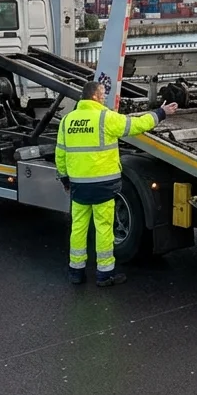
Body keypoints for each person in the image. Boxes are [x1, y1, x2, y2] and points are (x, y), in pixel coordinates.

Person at [55, 80, 178, 287]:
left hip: (79, 186)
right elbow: (136, 125)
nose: (104, 97)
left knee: (78, 227)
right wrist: (161, 113)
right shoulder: (105, 117)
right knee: (103, 228)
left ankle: (76, 272)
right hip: (103, 185)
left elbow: (60, 154)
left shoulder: (67, 121)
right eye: (102, 93)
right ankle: (104, 275)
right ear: (94, 96)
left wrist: (65, 178)